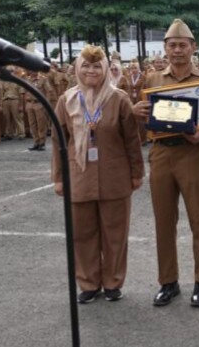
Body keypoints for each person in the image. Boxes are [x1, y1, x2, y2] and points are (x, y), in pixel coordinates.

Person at [132, 19, 199, 307]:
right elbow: (148, 114)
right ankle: (168, 282)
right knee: (164, 221)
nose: (178, 50)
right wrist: (140, 112)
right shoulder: (153, 79)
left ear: (193, 47)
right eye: (172, 45)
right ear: (165, 49)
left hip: (192, 154)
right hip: (161, 154)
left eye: (183, 45)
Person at [52, 45, 144, 303]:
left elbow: (132, 141)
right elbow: (59, 143)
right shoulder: (66, 100)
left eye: (96, 66)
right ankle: (89, 283)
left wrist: (137, 173)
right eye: (86, 66)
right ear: (77, 69)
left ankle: (113, 282)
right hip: (79, 176)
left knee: (115, 233)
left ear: (105, 69)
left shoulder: (119, 99)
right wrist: (59, 178)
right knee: (82, 233)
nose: (91, 71)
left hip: (114, 176)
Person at [23, 69, 55, 151]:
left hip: (39, 103)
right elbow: (24, 91)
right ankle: (36, 142)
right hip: (30, 103)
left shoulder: (43, 79)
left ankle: (42, 143)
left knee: (41, 124)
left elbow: (49, 91)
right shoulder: (27, 79)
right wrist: (26, 104)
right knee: (32, 124)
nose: (33, 71)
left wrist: (45, 103)